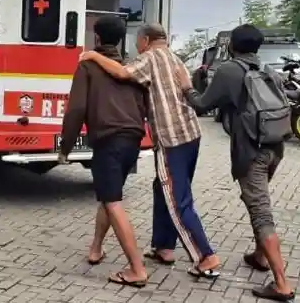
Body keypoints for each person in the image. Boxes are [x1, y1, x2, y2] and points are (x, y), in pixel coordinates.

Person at [80, 23, 220, 278]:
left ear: (145, 40)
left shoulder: (150, 58)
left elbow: (122, 73)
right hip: (192, 135)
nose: (136, 46)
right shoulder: (174, 57)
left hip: (171, 138)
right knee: (162, 189)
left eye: (138, 41)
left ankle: (205, 256)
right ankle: (164, 246)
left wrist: (92, 55)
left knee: (178, 199)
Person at [176, 24, 295, 301]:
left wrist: (186, 87)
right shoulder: (268, 71)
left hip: (251, 149)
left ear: (232, 45)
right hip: (275, 147)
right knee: (255, 199)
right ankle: (259, 255)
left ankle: (281, 283)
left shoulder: (230, 70)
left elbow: (203, 104)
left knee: (260, 211)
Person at [58, 15, 149, 287]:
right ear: (122, 39)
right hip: (132, 139)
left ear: (97, 37)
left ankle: (137, 269)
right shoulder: (132, 67)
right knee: (108, 196)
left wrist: (65, 147)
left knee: (112, 202)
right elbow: (144, 104)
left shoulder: (88, 65)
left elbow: (76, 109)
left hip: (109, 140)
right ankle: (96, 248)